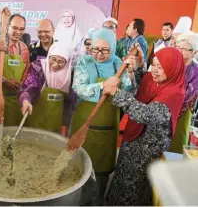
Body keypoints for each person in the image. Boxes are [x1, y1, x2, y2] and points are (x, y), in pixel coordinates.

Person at [106, 47, 186, 205]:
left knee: (137, 183)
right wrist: (139, 65)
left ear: (172, 68)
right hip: (133, 137)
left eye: (160, 67)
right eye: (154, 64)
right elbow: (145, 80)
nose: (154, 71)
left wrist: (116, 93)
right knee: (123, 172)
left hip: (148, 147)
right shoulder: (155, 78)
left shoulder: (174, 93)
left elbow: (146, 114)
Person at [71, 28, 141, 205]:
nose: (99, 54)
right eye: (95, 49)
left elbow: (129, 91)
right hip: (84, 123)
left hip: (108, 126)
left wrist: (131, 74)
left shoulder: (119, 64)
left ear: (113, 47)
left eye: (105, 50)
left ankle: (97, 201)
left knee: (101, 172)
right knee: (80, 168)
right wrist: (103, 87)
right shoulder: (84, 63)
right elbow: (78, 87)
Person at [20, 42, 75, 133]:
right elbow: (29, 86)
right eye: (53, 59)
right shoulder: (38, 66)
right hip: (36, 116)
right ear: (48, 55)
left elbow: (71, 101)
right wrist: (25, 100)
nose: (55, 64)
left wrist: (66, 122)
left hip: (56, 121)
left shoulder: (70, 74)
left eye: (61, 61)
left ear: (67, 62)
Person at [0, 14, 30, 126]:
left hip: (16, 99)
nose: (18, 32)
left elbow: (26, 71)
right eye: (15, 28)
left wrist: (22, 84)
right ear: (7, 27)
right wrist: (5, 81)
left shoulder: (24, 48)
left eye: (21, 29)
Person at [169, 32, 198, 154]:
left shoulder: (196, 70)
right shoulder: (172, 63)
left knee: (177, 142)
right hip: (164, 109)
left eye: (184, 49)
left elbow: (188, 96)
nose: (179, 51)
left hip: (182, 112)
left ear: (194, 52)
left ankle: (172, 170)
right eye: (178, 47)